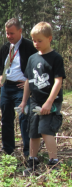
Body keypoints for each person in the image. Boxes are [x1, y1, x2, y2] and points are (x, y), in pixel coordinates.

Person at [18, 22, 65, 175]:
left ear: (49, 38)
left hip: (51, 102)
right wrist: (25, 101)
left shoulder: (55, 58)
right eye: (33, 40)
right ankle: (32, 161)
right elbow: (28, 82)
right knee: (33, 132)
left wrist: (49, 102)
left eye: (39, 40)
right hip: (35, 102)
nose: (36, 43)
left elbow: (58, 80)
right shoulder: (32, 59)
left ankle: (53, 162)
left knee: (45, 130)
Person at [0, 18, 37, 157]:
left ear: (20, 31)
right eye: (7, 33)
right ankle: (8, 150)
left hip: (22, 89)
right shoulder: (6, 47)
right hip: (6, 88)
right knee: (6, 118)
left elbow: (37, 65)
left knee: (24, 117)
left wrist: (28, 80)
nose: (9, 36)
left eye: (12, 33)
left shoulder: (30, 46)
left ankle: (27, 152)